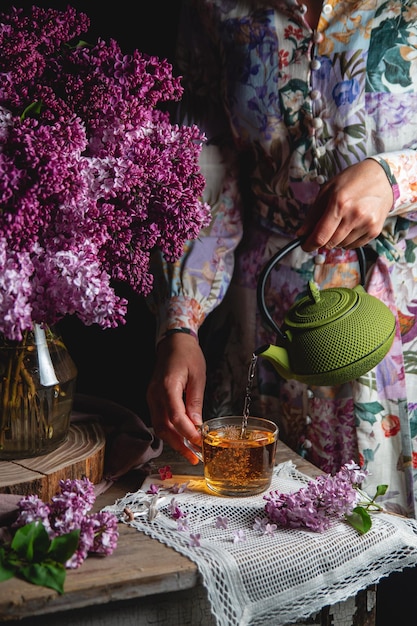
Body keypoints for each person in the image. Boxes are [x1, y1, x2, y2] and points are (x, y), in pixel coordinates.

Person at [147, 0, 417, 517]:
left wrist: (394, 178)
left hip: (399, 316)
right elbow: (203, 162)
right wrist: (181, 323)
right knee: (268, 532)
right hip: (261, 315)